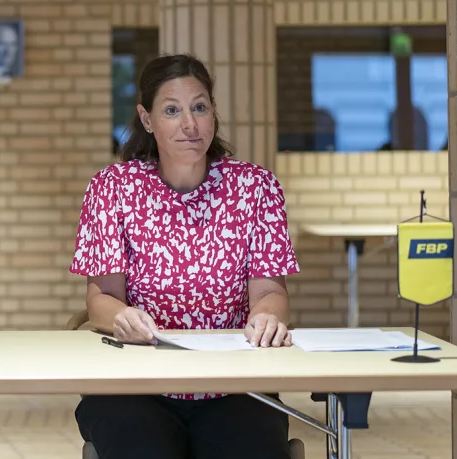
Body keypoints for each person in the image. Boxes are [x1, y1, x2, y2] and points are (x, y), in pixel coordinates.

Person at [70, 54, 300, 459]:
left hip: (235, 385)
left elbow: (270, 293)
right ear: (147, 119)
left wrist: (268, 316)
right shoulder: (113, 188)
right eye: (172, 110)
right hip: (136, 384)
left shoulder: (255, 186)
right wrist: (120, 316)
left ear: (213, 114)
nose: (189, 124)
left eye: (199, 107)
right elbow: (100, 299)